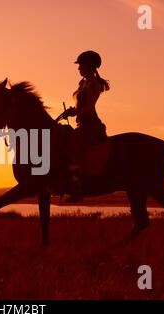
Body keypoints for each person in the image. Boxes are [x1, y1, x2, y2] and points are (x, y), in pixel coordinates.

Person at [61, 50, 110, 201]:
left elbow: (88, 107)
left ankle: (77, 187)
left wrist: (74, 111)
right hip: (82, 124)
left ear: (90, 66)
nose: (78, 68)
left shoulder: (95, 85)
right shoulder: (83, 83)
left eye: (81, 65)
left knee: (72, 148)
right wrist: (73, 110)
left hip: (90, 124)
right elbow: (81, 105)